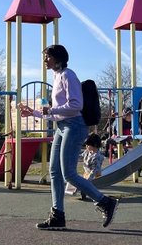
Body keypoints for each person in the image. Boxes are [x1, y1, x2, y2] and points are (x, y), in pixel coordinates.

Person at [18, 44, 118, 230]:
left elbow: (76, 105)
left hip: (75, 126)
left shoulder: (68, 75)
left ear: (58, 58)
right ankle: (58, 215)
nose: (44, 59)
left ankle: (105, 202)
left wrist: (51, 109)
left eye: (47, 56)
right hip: (62, 127)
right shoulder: (57, 77)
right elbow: (56, 114)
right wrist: (34, 113)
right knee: (55, 172)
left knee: (69, 173)